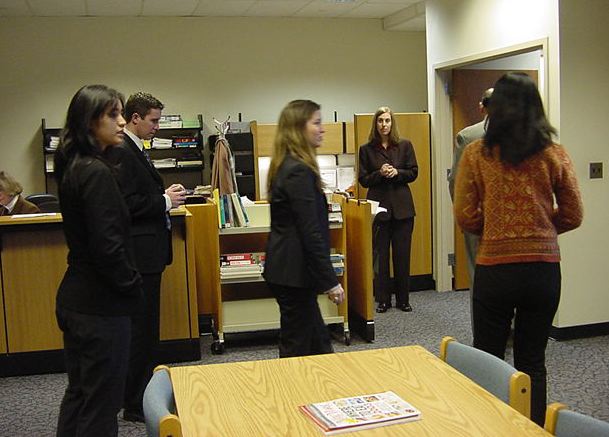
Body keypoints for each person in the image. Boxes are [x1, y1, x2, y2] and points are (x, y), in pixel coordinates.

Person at [454, 72, 583, 426]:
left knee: (488, 359)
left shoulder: (477, 154)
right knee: (532, 362)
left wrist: (496, 230)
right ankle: (532, 429)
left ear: (494, 107)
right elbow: (573, 214)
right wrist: (541, 229)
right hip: (542, 270)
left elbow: (465, 215)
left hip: (495, 270)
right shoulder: (554, 153)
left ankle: (489, 426)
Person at [53, 85, 143, 436]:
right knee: (102, 403)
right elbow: (108, 247)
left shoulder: (76, 166)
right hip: (100, 305)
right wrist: (132, 287)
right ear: (90, 122)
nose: (122, 122)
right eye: (113, 114)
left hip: (78, 300)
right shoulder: (96, 172)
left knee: (80, 394)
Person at [104, 92, 186, 422]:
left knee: (146, 328)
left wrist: (163, 196)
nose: (157, 126)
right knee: (142, 331)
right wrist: (164, 201)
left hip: (149, 254)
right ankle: (137, 402)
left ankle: (141, 396)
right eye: (153, 120)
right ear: (134, 118)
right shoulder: (124, 151)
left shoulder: (137, 149)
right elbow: (127, 204)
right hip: (140, 255)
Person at [263, 99, 345, 358]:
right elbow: (310, 232)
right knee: (298, 346)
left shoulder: (286, 165)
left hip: (289, 271)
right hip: (293, 273)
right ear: (298, 128)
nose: (323, 129)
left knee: (316, 344)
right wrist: (331, 282)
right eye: (316, 123)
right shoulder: (298, 171)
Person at [358, 107, 418, 313]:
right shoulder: (366, 149)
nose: (384, 125)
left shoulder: (405, 145)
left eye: (387, 121)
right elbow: (364, 179)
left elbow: (413, 172)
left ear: (392, 123)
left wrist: (397, 172)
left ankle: (403, 300)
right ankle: (383, 300)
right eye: (380, 121)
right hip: (379, 209)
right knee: (380, 257)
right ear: (375, 124)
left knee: (402, 256)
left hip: (403, 209)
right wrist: (380, 173)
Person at [448, 87, 493, 327]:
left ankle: (484, 332)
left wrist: (464, 217)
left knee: (479, 276)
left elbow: (456, 182)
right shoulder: (525, 137)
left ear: (481, 107)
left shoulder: (468, 137)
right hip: (512, 224)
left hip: (478, 219)